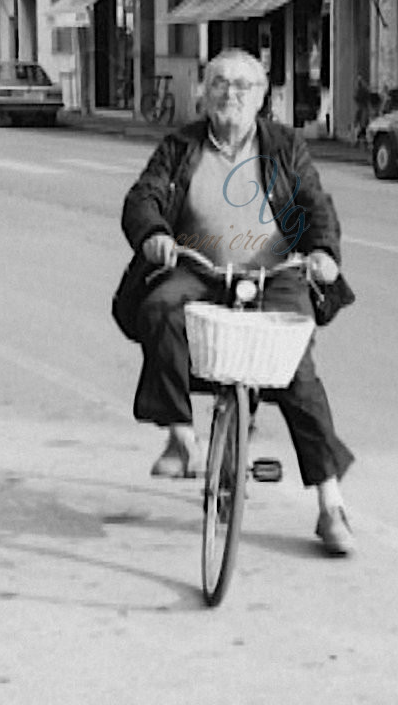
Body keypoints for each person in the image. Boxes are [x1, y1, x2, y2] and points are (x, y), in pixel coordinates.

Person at [117, 48, 355, 556]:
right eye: (220, 83)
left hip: (274, 274)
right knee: (160, 309)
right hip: (199, 268)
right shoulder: (182, 146)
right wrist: (155, 234)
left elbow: (314, 205)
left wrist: (321, 252)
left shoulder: (284, 146)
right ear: (204, 93)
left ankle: (330, 504)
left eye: (243, 86)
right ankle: (181, 436)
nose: (231, 94)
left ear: (261, 97)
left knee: (297, 371)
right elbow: (145, 196)